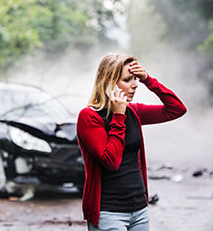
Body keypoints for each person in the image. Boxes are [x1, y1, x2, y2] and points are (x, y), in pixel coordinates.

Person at [76, 53, 187, 231]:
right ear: (109, 83)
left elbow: (177, 109)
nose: (135, 84)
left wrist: (148, 80)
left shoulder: (134, 111)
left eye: (135, 78)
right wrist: (118, 115)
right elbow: (111, 161)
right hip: (109, 213)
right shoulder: (89, 117)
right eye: (127, 80)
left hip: (139, 210)